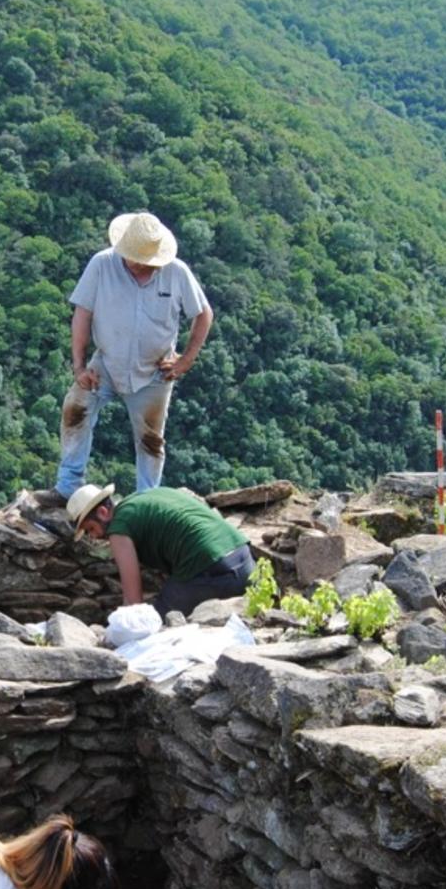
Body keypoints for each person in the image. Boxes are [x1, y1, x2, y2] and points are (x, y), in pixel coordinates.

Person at [55, 211, 213, 498]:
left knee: (151, 440)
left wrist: (186, 359)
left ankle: (146, 500)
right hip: (105, 363)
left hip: (155, 371)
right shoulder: (102, 265)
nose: (142, 265)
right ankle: (68, 486)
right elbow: (83, 314)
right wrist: (79, 367)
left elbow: (203, 314)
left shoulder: (176, 272)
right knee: (75, 411)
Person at [66, 483, 256, 619]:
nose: (93, 537)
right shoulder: (149, 496)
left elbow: (134, 603)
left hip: (212, 571)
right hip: (246, 562)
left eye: (90, 529)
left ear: (103, 513)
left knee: (159, 623)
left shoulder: (119, 528)